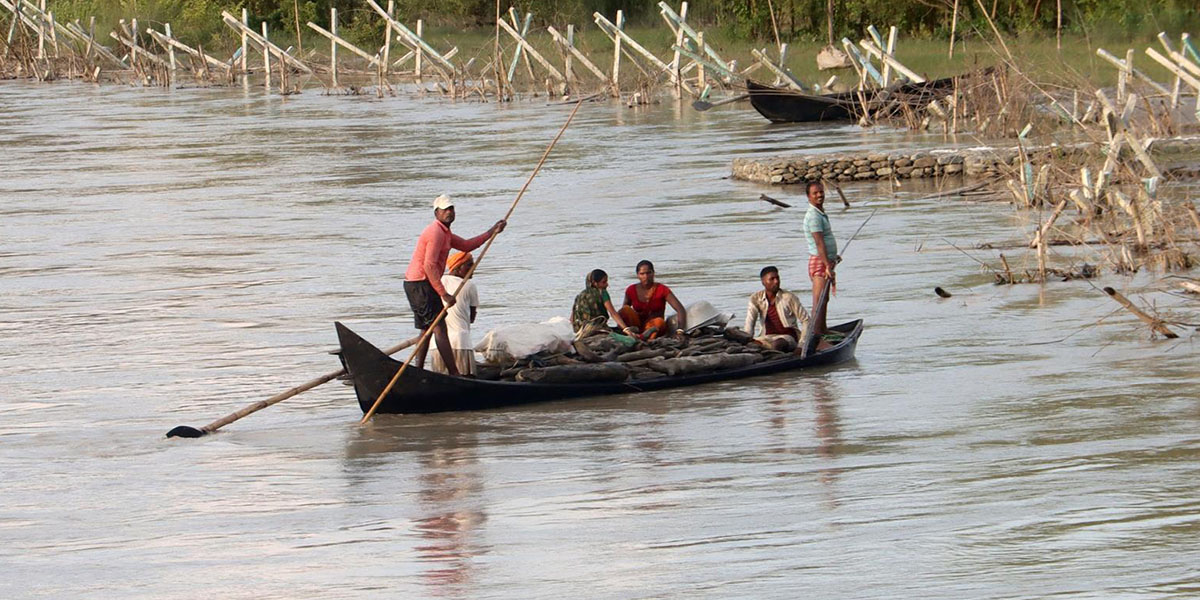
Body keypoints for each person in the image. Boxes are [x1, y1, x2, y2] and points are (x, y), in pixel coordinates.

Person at [404, 194, 505, 376]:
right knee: (439, 327)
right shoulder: (435, 232)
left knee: (426, 328)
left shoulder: (445, 233)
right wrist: (444, 294)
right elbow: (429, 265)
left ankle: (418, 371)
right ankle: (454, 373)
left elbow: (466, 245)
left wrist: (492, 231)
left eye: (451, 209)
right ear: (437, 213)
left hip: (417, 283)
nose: (449, 212)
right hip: (420, 282)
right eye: (445, 210)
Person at [431, 251, 479, 377]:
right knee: (466, 377)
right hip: (461, 342)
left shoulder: (439, 281)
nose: (473, 268)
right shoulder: (469, 285)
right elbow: (471, 318)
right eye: (469, 265)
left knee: (440, 377)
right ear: (457, 268)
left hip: (437, 345)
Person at [744, 266, 809, 352]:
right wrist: (746, 340)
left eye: (777, 278)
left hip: (788, 337)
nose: (776, 281)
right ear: (763, 282)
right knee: (752, 346)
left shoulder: (789, 297)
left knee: (778, 344)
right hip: (766, 337)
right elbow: (750, 321)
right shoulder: (755, 298)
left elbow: (806, 320)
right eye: (772, 279)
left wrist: (801, 345)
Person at [618, 260, 687, 340]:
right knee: (626, 309)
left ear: (653, 273)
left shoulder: (662, 289)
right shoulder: (631, 290)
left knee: (659, 322)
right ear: (638, 275)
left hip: (655, 327)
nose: (646, 277)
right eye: (642, 274)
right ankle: (634, 335)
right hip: (637, 327)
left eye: (648, 273)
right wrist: (622, 328)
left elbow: (680, 309)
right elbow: (624, 312)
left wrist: (680, 331)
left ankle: (647, 340)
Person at [804, 181, 838, 337]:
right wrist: (827, 265)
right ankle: (816, 333)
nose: (819, 195)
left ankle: (822, 329)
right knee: (818, 300)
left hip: (826, 260)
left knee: (824, 298)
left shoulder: (820, 213)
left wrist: (833, 258)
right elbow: (819, 242)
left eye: (821, 192)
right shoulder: (813, 216)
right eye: (815, 193)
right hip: (819, 261)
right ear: (809, 196)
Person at [571, 269, 636, 335]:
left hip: (579, 331)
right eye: (604, 282)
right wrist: (625, 329)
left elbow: (572, 318)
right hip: (596, 330)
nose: (607, 285)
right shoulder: (602, 293)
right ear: (595, 283)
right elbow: (613, 313)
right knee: (634, 330)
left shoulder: (580, 296)